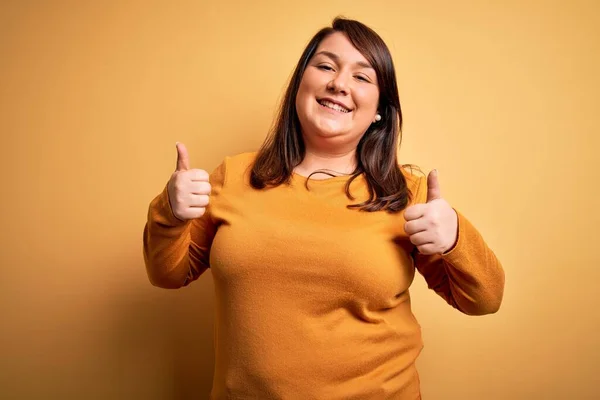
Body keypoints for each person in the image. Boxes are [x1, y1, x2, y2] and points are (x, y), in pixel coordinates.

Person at [143, 17, 505, 400]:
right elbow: (168, 274)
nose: (339, 83)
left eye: (362, 77)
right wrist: (171, 212)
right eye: (326, 66)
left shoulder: (405, 194)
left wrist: (454, 236)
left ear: (380, 109)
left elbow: (485, 300)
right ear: (301, 83)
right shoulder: (234, 176)